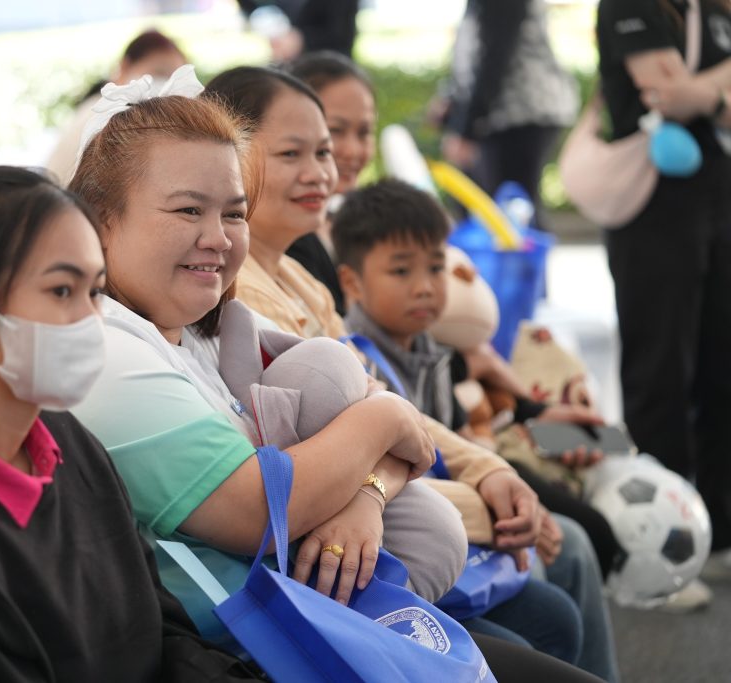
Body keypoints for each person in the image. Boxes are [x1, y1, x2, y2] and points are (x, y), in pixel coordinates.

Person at [205, 64, 594, 667]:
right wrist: (478, 495)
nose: (324, 169)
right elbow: (337, 451)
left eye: (326, 149)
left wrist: (487, 466)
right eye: (292, 153)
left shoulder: (303, 280)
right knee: (558, 585)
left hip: (402, 512)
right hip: (348, 555)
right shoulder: (240, 292)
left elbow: (388, 409)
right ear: (230, 157)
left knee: (565, 577)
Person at [68, 66, 470, 634]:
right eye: (188, 210)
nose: (218, 237)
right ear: (100, 221)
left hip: (322, 623)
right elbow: (258, 510)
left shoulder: (208, 328)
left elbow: (400, 435)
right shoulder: (105, 353)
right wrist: (386, 418)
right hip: (244, 653)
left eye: (234, 213)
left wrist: (367, 497)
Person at [0, 166, 261, 682]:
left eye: (94, 291)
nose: (89, 320)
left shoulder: (68, 440)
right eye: (61, 291)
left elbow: (163, 630)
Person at [332, 178, 621, 681]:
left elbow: (467, 432)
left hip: (466, 513)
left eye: (436, 268)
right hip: (418, 546)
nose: (425, 286)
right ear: (352, 283)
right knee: (565, 558)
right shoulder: (356, 362)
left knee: (574, 554)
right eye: (401, 271)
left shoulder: (436, 352)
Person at [597, 0, 731, 582]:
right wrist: (717, 93)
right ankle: (656, 553)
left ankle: (718, 533)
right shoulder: (632, 5)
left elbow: (686, 92)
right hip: (653, 212)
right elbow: (668, 95)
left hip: (719, 202)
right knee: (659, 375)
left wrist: (703, 93)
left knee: (721, 370)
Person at [437, 0, 578, 229]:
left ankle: (524, 253)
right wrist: (452, 101)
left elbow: (495, 55)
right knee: (505, 210)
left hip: (523, 114)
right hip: (505, 116)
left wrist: (467, 129)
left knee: (513, 210)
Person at [285, 50, 378, 315]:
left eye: (364, 132)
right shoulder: (284, 238)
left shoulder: (353, 221)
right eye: (335, 130)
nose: (353, 150)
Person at [46, 29, 187, 182]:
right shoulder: (110, 115)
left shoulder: (97, 106)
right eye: (159, 74)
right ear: (124, 67)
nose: (166, 87)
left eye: (175, 79)